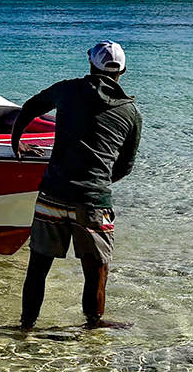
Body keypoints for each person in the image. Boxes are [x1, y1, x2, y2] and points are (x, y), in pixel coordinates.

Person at [10, 41, 142, 330]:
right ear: (123, 71)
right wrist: (96, 183)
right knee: (96, 272)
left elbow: (32, 106)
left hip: (53, 196)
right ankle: (92, 327)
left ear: (91, 63)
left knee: (38, 267)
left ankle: (26, 326)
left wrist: (16, 140)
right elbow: (125, 167)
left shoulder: (67, 90)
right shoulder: (131, 113)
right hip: (93, 202)